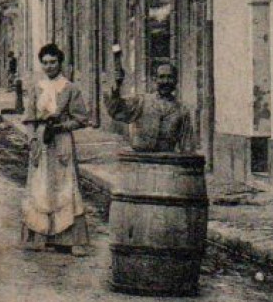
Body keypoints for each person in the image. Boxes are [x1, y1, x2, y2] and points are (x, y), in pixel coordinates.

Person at [21, 44, 93, 255]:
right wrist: (32, 140)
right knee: (40, 185)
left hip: (61, 140)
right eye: (45, 62)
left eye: (53, 62)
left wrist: (62, 126)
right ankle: (40, 235)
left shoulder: (70, 88)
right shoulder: (36, 88)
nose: (49, 66)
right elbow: (29, 118)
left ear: (60, 63)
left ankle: (69, 239)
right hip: (41, 140)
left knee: (65, 185)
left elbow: (81, 119)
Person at [104, 58, 197, 154]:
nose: (165, 81)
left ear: (176, 81)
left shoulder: (182, 110)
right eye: (161, 77)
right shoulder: (141, 102)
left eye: (170, 77)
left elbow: (187, 146)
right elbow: (116, 112)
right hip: (138, 161)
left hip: (166, 162)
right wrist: (116, 88)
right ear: (154, 79)